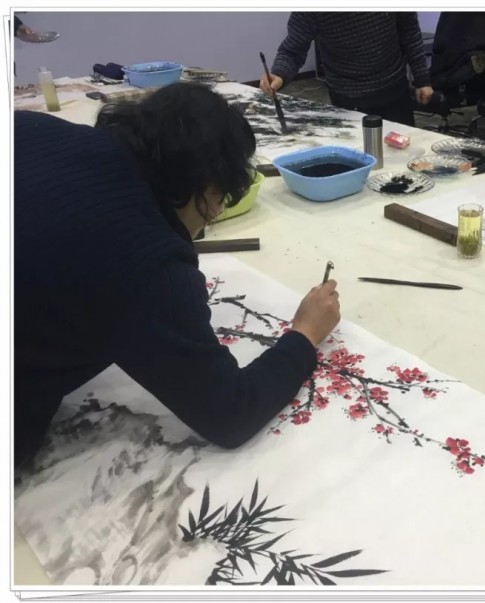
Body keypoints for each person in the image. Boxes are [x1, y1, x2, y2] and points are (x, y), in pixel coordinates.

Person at [14, 82, 341, 467]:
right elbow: (231, 413)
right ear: (207, 185)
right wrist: (305, 334)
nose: (215, 214)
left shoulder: (30, 126)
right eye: (220, 199)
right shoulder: (145, 260)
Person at [261, 12, 434, 126]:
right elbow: (292, 50)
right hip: (347, 97)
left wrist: (422, 80)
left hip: (393, 89)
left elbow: (409, 32)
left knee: (403, 154)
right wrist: (278, 74)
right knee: (357, 157)